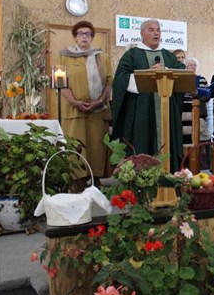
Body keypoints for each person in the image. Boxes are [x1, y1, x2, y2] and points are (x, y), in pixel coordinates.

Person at [111, 19, 186, 172]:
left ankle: (168, 178)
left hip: (165, 111)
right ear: (142, 34)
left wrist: (164, 69)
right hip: (142, 111)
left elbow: (181, 73)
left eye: (158, 30)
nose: (156, 33)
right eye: (151, 30)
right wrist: (146, 75)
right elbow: (120, 79)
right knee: (143, 141)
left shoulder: (168, 56)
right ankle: (143, 181)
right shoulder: (132, 55)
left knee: (166, 141)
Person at [58, 21, 112, 184]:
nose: (84, 36)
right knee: (76, 147)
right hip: (74, 112)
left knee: (97, 148)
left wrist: (99, 101)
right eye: (80, 33)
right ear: (74, 37)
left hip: (98, 111)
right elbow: (59, 82)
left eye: (88, 34)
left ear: (92, 37)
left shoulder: (102, 57)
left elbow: (109, 81)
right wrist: (74, 101)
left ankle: (96, 181)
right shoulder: (63, 56)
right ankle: (77, 183)